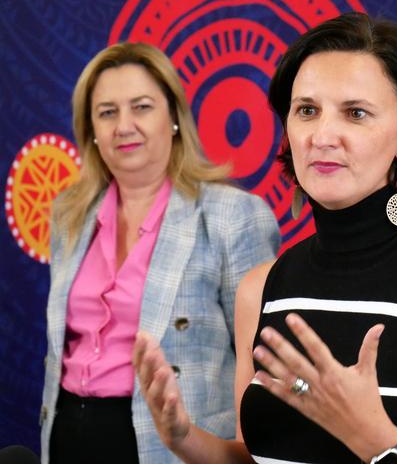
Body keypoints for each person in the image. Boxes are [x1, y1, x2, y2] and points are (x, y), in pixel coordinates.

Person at [134, 12, 397, 463]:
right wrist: (183, 438)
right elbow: (259, 457)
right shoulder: (261, 289)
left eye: (355, 113)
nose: (323, 136)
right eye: (307, 110)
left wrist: (377, 438)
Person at [40, 42, 280, 464]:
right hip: (67, 436)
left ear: (173, 117)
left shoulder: (233, 216)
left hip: (171, 446)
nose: (124, 126)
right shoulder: (68, 217)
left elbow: (262, 363)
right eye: (107, 112)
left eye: (142, 107)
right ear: (91, 129)